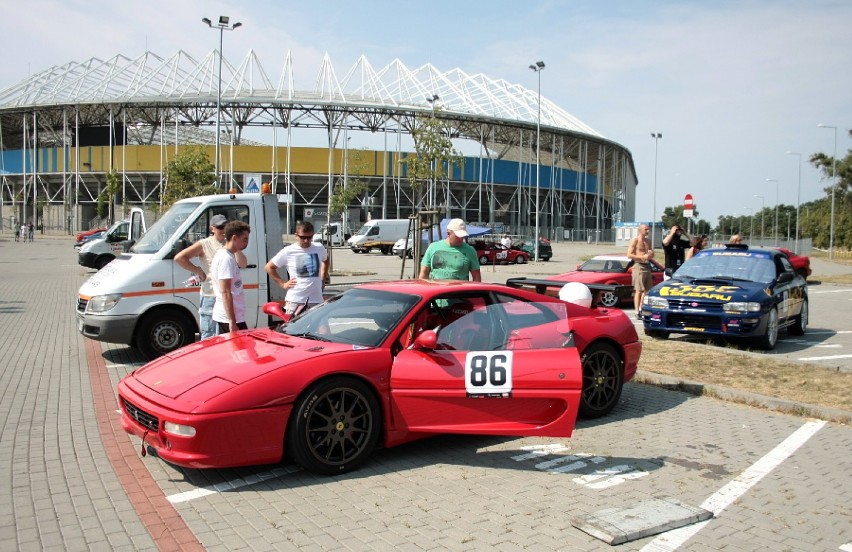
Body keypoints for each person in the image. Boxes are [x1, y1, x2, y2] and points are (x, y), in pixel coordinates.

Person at [175, 214, 247, 340]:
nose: (224, 230)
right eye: (220, 227)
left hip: (225, 296)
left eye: (226, 227)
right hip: (211, 294)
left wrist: (235, 246)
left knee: (225, 339)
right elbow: (180, 258)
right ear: (212, 229)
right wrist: (199, 272)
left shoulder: (229, 245)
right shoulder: (205, 244)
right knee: (209, 335)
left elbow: (243, 263)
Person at [266, 220, 330, 315]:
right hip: (295, 300)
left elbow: (326, 260)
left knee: (322, 329)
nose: (306, 240)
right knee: (292, 329)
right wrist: (283, 284)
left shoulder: (319, 247)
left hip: (316, 299)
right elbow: (269, 267)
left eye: (309, 237)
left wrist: (323, 279)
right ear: (296, 235)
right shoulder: (288, 251)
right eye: (303, 237)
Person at [210, 221, 251, 334]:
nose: (246, 243)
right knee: (243, 348)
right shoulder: (225, 258)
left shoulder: (229, 255)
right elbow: (225, 291)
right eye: (244, 239)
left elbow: (243, 263)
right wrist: (232, 321)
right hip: (229, 317)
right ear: (234, 238)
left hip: (233, 315)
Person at [627, 223, 654, 318]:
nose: (647, 231)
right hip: (638, 266)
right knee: (638, 290)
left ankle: (641, 308)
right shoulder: (635, 240)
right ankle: (636, 311)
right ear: (640, 230)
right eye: (646, 229)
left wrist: (650, 254)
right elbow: (629, 255)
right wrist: (642, 257)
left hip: (647, 266)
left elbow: (651, 254)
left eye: (648, 229)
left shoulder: (648, 241)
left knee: (647, 290)